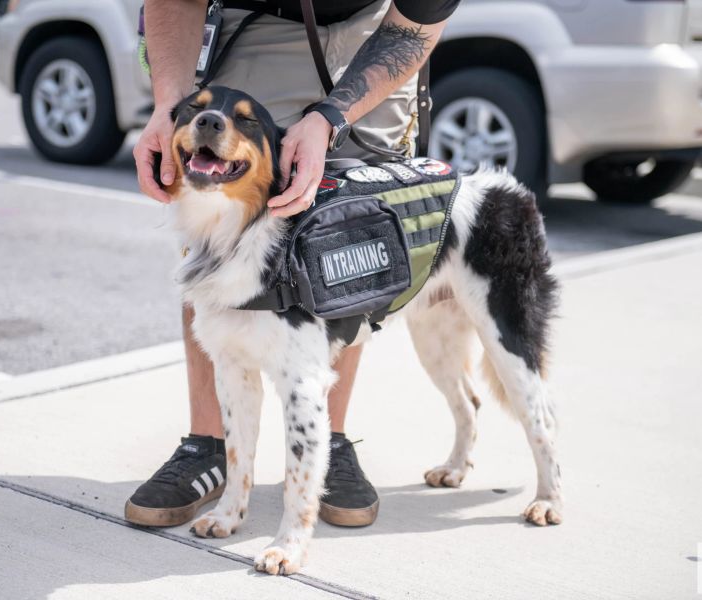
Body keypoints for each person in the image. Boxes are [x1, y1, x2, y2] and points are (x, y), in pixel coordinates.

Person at [126, 0, 459, 529]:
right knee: (219, 213)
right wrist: (171, 109)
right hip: (258, 17)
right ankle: (208, 446)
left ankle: (331, 437)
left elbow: (416, 25)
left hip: (377, 30)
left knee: (353, 227)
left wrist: (329, 118)